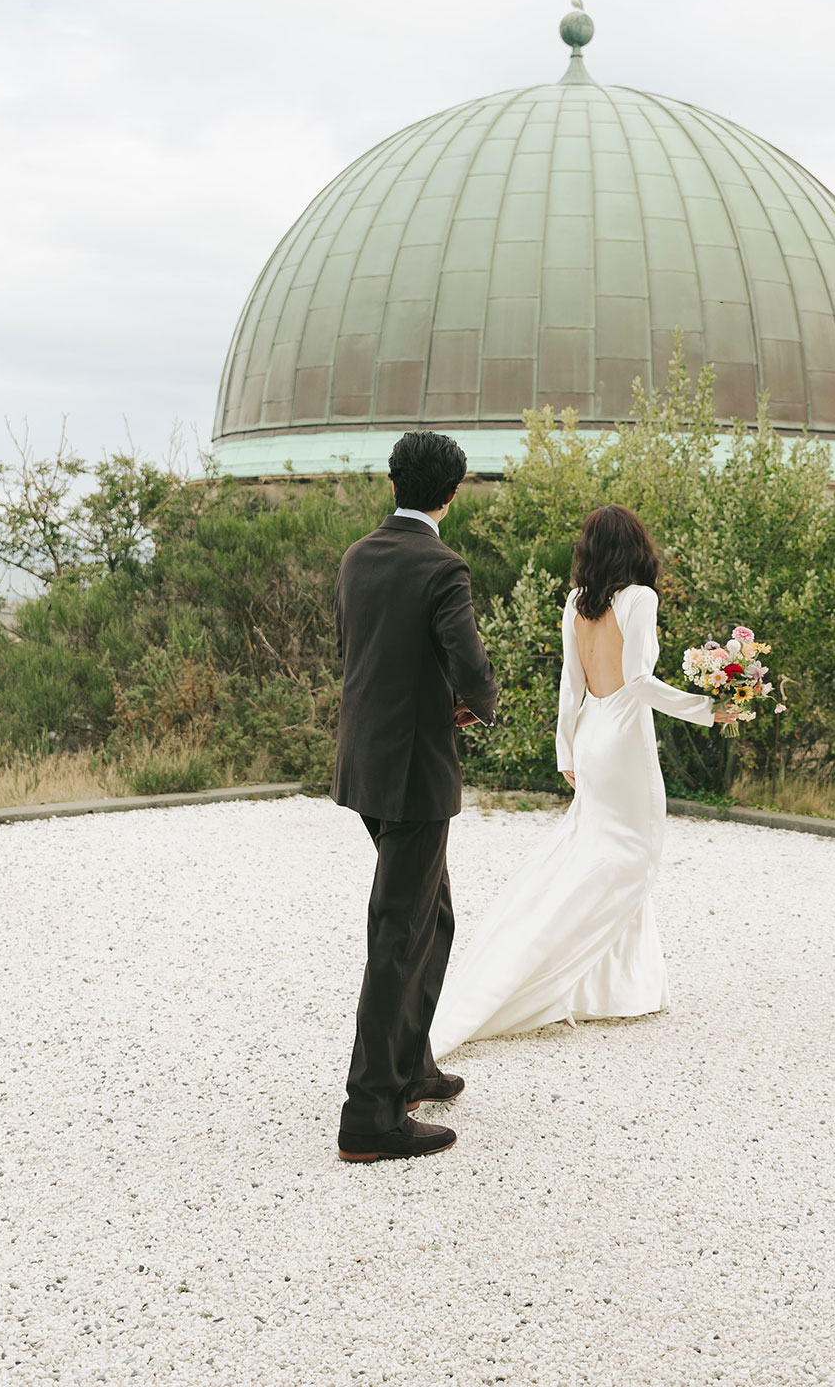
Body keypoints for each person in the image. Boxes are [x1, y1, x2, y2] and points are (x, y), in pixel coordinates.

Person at [428, 504, 735, 1057]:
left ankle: (620, 986)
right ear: (635, 547)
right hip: (622, 742)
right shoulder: (640, 599)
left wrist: (565, 747)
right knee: (632, 857)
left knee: (602, 852)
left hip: (591, 735)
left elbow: (571, 684)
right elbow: (640, 680)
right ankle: (546, 966)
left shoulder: (576, 603)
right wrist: (706, 709)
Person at [331, 431, 497, 1163]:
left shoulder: (357, 556)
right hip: (416, 772)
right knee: (401, 932)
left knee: (434, 916)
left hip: (364, 763)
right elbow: (471, 663)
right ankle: (370, 1112)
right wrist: (475, 704)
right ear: (450, 494)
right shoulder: (443, 566)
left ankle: (414, 1063)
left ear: (393, 482)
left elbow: (362, 649)